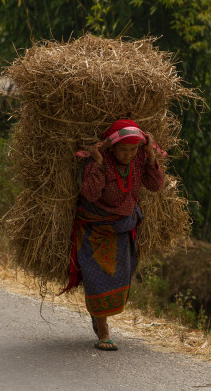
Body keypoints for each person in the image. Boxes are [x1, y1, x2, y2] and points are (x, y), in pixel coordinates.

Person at [61, 119, 164, 351]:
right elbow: (89, 192)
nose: (128, 155)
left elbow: (156, 185)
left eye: (133, 149)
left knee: (120, 276)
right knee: (98, 278)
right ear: (112, 147)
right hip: (95, 227)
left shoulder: (139, 160)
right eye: (123, 150)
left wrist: (150, 156)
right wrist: (97, 163)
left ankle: (99, 318)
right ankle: (103, 329)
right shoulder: (100, 161)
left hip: (124, 226)